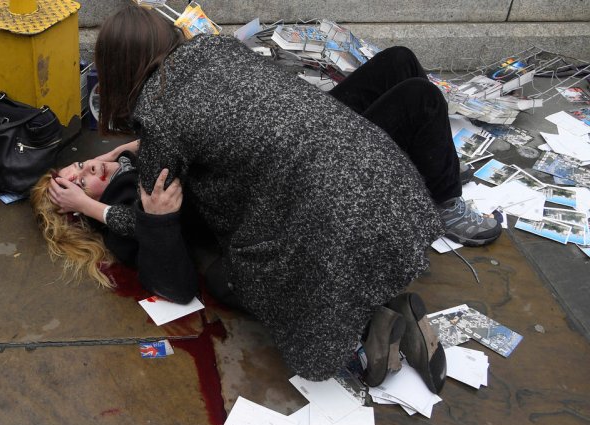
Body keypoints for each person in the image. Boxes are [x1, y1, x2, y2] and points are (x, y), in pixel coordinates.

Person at [72, 4, 505, 392]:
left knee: (232, 280)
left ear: (117, 69)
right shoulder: (216, 49)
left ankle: (368, 327)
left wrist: (88, 206)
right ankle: (381, 307)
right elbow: (220, 124)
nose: (88, 168)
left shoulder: (159, 115)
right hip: (393, 181)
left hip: (331, 211)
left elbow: (158, 223)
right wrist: (132, 150)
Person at [30, 145, 200, 304]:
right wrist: (86, 206)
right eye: (82, 183)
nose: (91, 167)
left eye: (80, 164)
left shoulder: (121, 165)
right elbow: (142, 224)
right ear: (81, 206)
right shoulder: (122, 209)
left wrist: (113, 155)